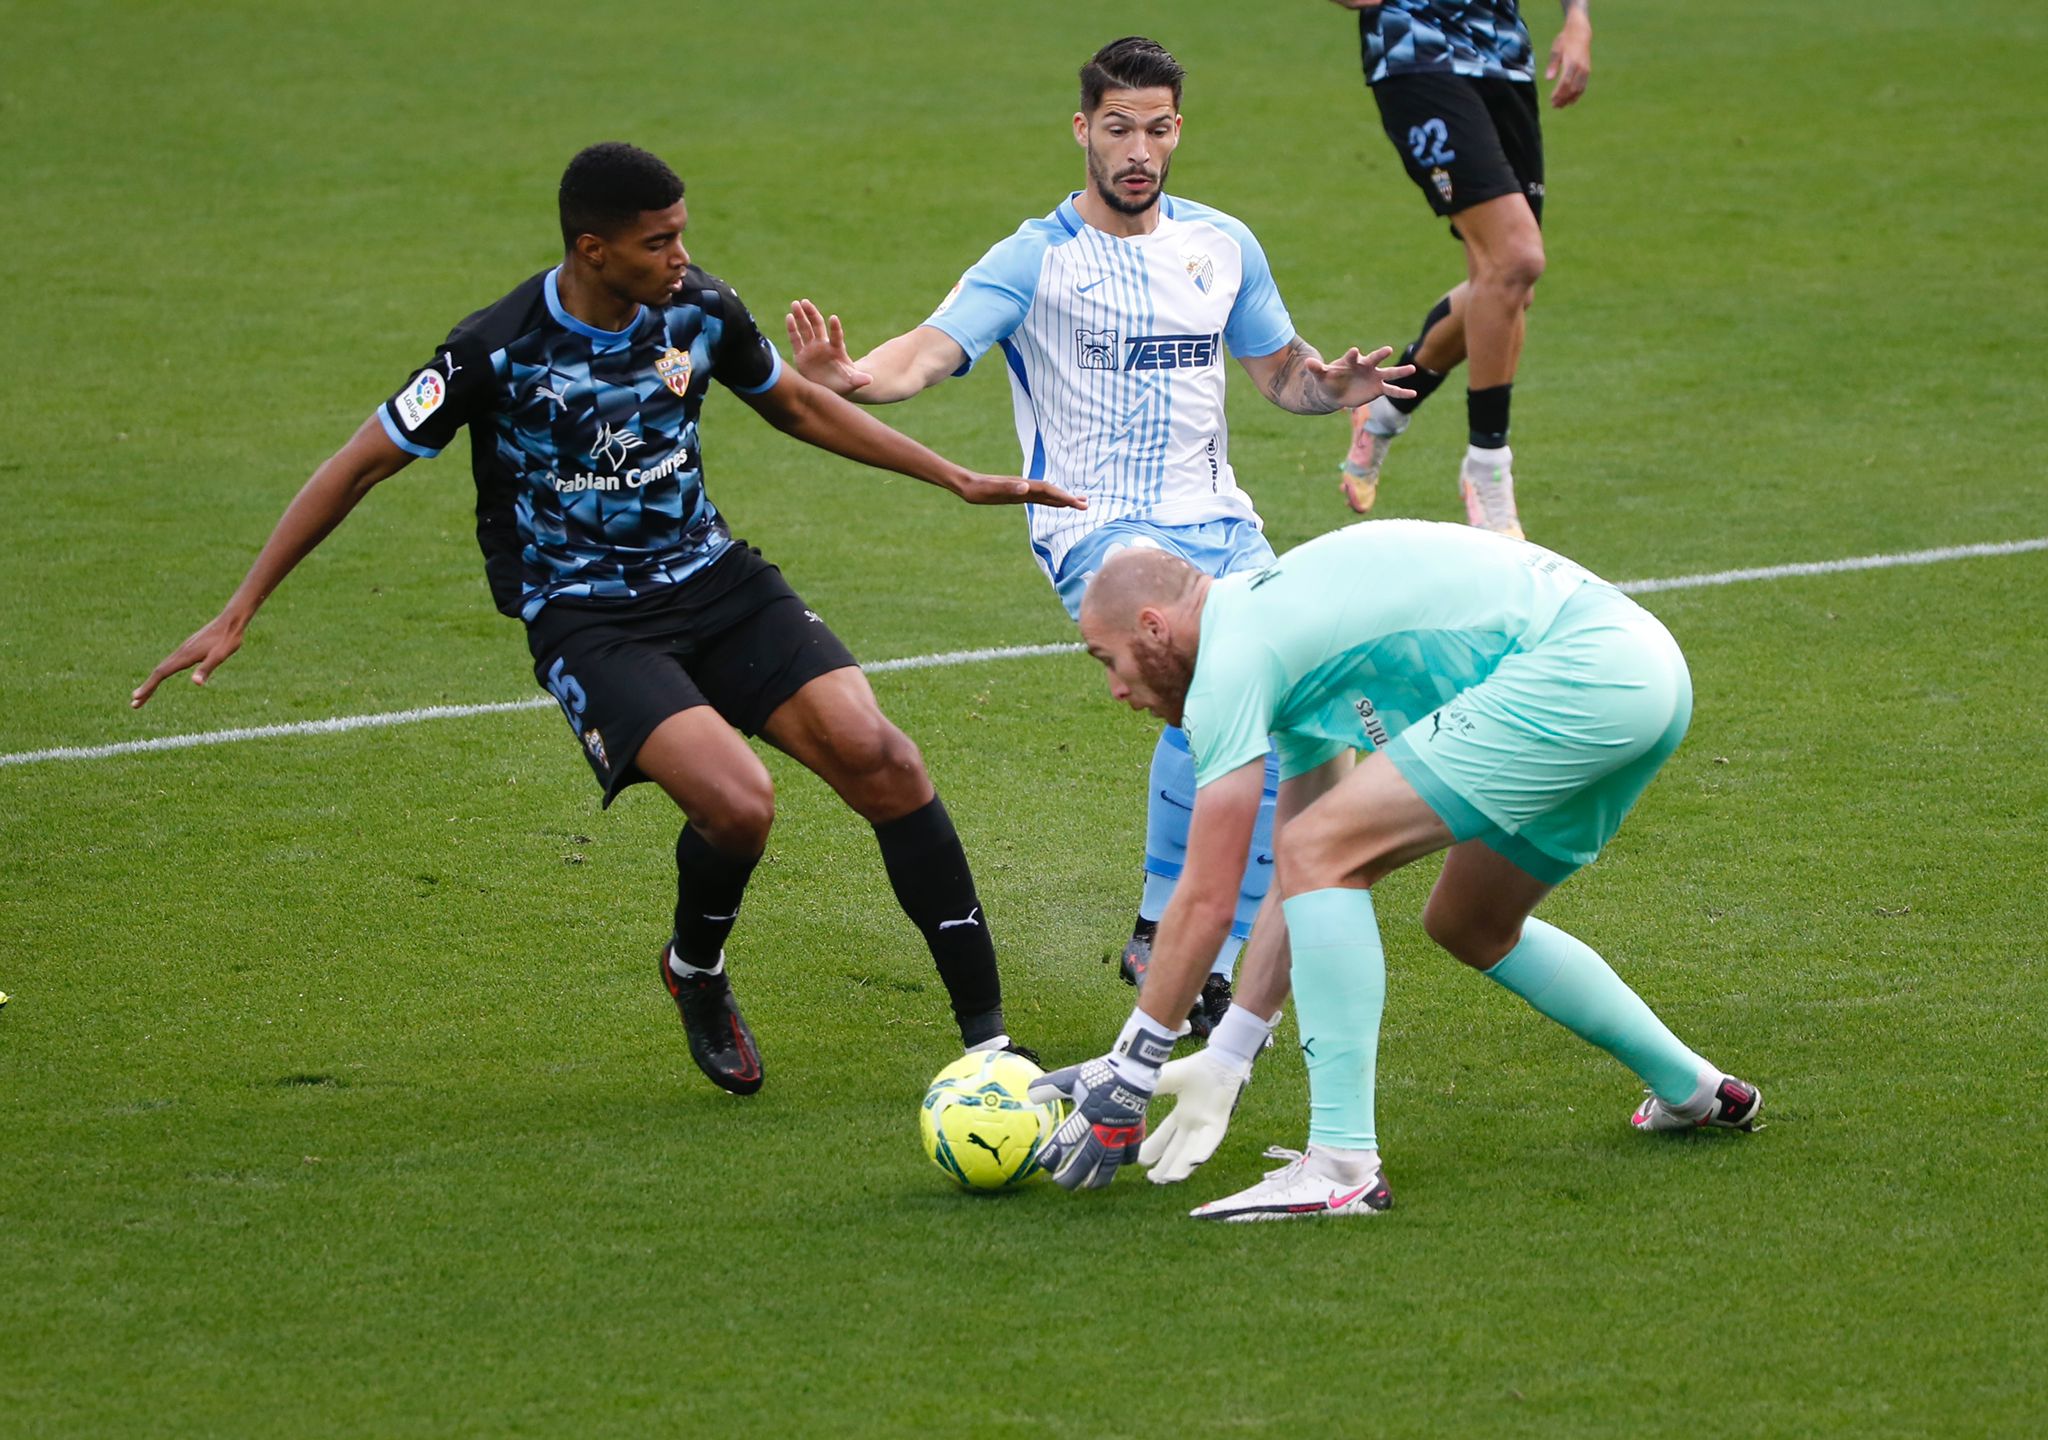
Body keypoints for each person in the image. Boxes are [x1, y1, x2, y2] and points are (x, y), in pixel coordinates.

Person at [131, 143, 1083, 1096]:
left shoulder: (697, 309)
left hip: (716, 581)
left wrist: (955, 478)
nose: (681, 256)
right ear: (593, 249)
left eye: (682, 234)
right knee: (739, 804)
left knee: (885, 758)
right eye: (657, 241)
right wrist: (239, 608)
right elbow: (357, 465)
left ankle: (990, 1047)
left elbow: (793, 405)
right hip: (590, 618)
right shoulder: (494, 349)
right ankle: (695, 971)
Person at [783, 36, 1413, 1035]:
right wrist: (856, 377)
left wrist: (1326, 389)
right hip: (1096, 529)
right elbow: (927, 353)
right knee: (1206, 667)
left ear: (1175, 132)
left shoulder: (1221, 247)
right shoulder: (1034, 258)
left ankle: (1191, 942)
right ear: (1082, 129)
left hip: (1217, 519)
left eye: (1155, 129)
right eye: (1116, 127)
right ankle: (1174, 937)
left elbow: (1279, 373)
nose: (1136, 150)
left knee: (1295, 711)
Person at [1031, 520, 1761, 1217]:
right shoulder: (1274, 637)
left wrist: (1132, 1066)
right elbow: (1298, 880)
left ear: (1154, 629)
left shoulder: (1230, 659)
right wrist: (1227, 1056)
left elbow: (1210, 895)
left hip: (1583, 671)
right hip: (1643, 672)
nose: (1117, 690)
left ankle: (1342, 1167)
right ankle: (1694, 1090)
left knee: (1323, 850)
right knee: (1470, 924)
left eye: (1108, 660)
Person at [1333, 0, 1594, 541]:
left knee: (1505, 291)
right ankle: (1487, 465)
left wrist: (1577, 19)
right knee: (1517, 258)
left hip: (1504, 58)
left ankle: (1381, 413)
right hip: (1418, 55)